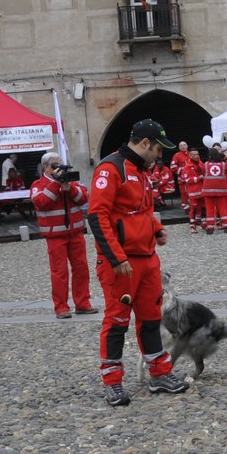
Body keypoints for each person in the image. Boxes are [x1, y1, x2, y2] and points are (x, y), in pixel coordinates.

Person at [87, 119, 189, 406]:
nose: (160, 155)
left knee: (151, 318)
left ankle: (159, 375)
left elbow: (141, 210)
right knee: (117, 321)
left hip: (146, 261)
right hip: (122, 264)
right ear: (145, 143)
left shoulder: (142, 171)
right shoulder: (110, 169)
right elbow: (98, 216)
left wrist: (156, 230)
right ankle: (113, 382)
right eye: (157, 149)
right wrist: (116, 257)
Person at [30, 153, 96, 319]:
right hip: (55, 236)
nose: (59, 169)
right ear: (45, 167)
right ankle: (61, 308)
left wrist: (70, 188)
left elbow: (84, 198)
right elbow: (41, 202)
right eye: (54, 166)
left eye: (61, 165)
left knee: (81, 269)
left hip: (75, 233)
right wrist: (56, 186)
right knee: (59, 273)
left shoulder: (70, 182)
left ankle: (83, 304)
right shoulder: (38, 185)